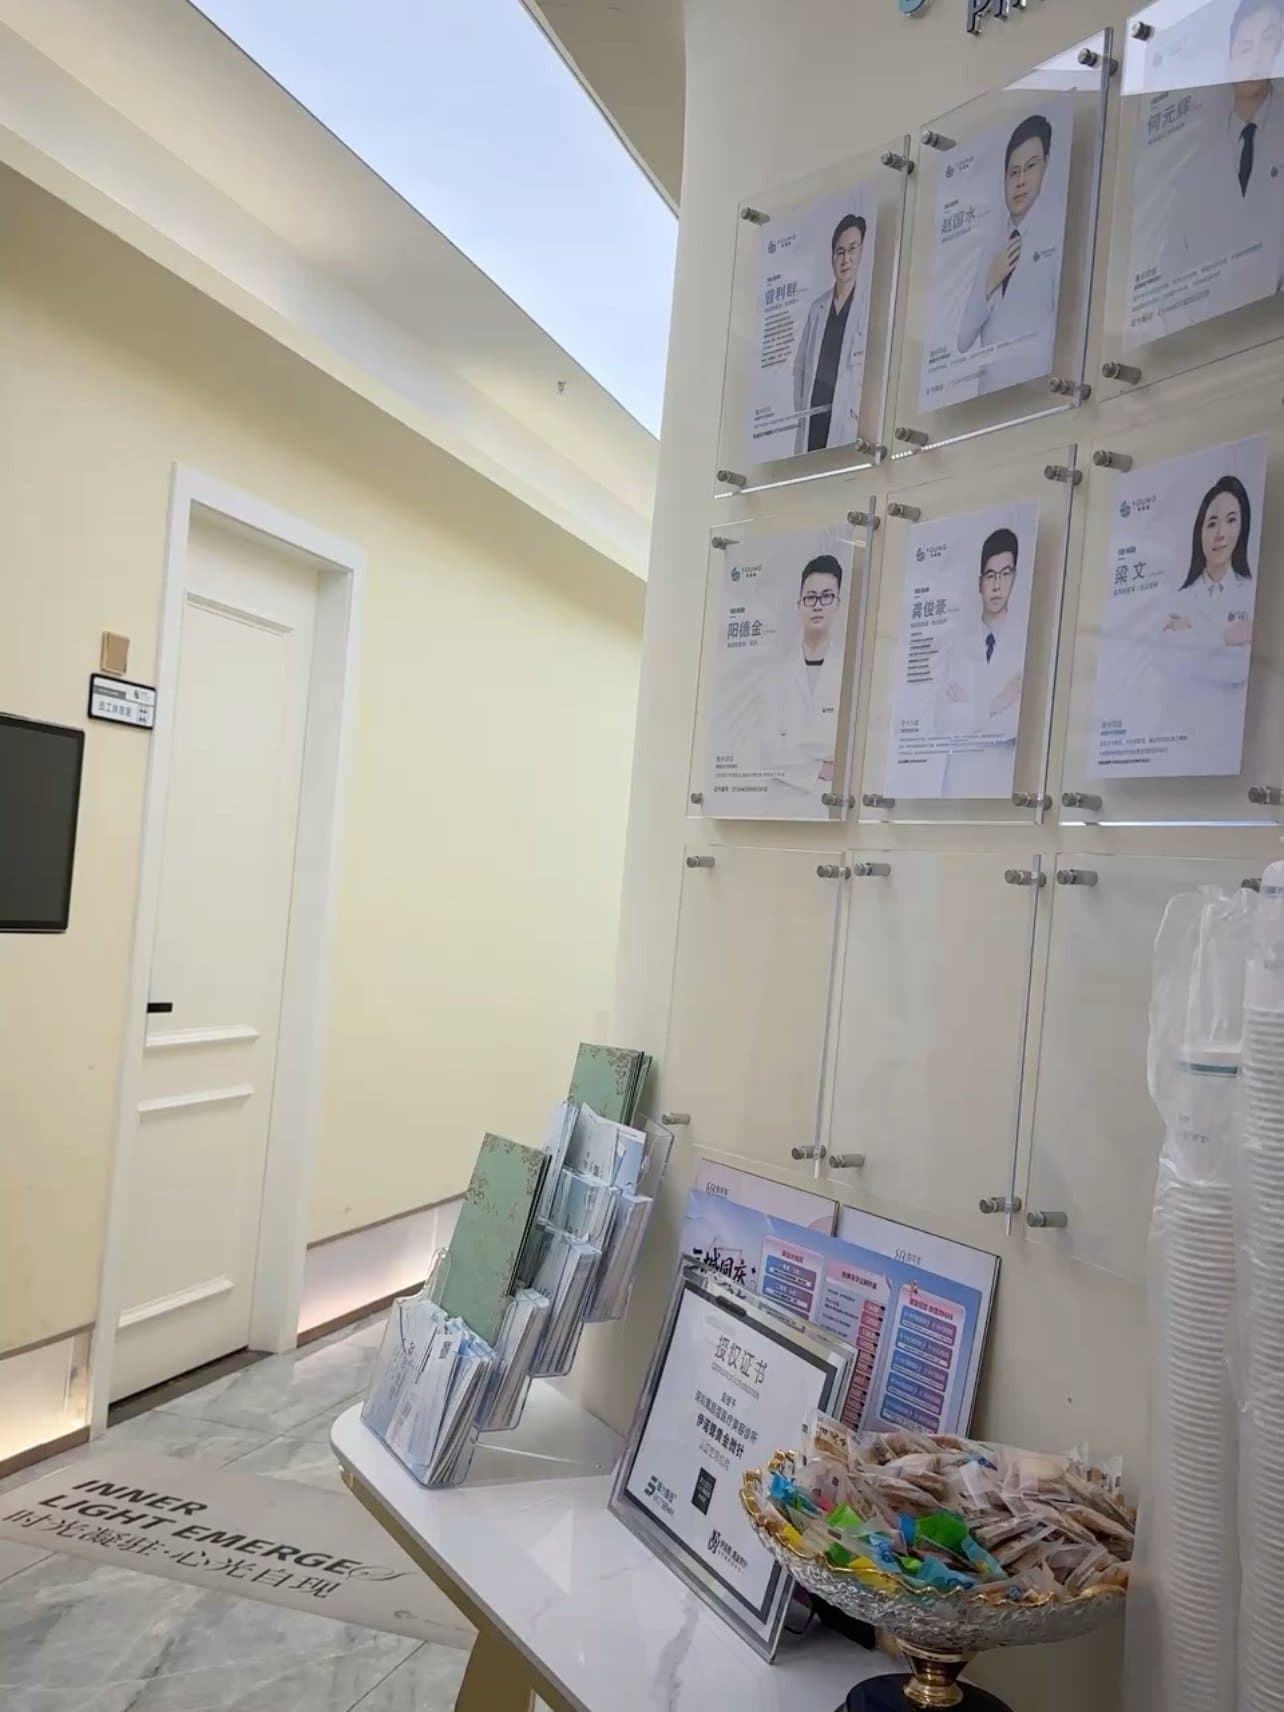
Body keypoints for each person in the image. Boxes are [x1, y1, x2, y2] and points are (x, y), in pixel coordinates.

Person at [1163, 0, 1284, 320]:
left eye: (1269, 39)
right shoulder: (1194, 168)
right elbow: (1173, 268)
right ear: (1229, 61)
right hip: (1216, 332)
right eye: (1246, 46)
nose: (1256, 57)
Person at [1155, 474, 1256, 774]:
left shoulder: (1251, 592)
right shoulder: (1177, 599)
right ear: (1199, 531)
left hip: (1227, 750)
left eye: (1231, 521)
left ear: (1243, 527)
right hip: (1179, 747)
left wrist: (1192, 634)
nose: (1220, 534)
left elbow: (1240, 669)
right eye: (1212, 523)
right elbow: (1171, 666)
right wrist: (1224, 637)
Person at [956, 114, 1060, 395]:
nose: (1021, 181)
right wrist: (989, 283)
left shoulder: (1055, 236)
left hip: (1038, 395)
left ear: (1046, 165)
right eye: (1013, 172)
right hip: (991, 400)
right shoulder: (991, 247)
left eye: (1030, 167)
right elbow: (963, 340)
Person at [934, 527, 1026, 797]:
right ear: (979, 583)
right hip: (958, 784)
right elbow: (944, 722)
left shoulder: (1026, 642)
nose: (997, 585)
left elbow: (1014, 725)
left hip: (1002, 782)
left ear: (1014, 577)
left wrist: (969, 705)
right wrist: (997, 702)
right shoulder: (956, 645)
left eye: (1005, 574)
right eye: (990, 575)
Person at [764, 554, 846, 793]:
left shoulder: (849, 670)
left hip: (832, 801)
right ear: (799, 605)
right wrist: (821, 766)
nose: (818, 605)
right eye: (810, 597)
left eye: (826, 596)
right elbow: (769, 752)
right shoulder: (775, 675)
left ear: (838, 604)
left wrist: (796, 752)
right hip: (781, 799)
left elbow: (845, 749)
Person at [792, 215, 870, 455]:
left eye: (852, 249)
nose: (845, 259)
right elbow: (800, 367)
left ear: (861, 252)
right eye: (839, 252)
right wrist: (803, 412)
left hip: (846, 425)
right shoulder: (817, 308)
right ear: (832, 258)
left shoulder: (867, 307)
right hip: (813, 420)